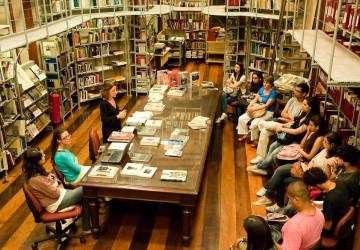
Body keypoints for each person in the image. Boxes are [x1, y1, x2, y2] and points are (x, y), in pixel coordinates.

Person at [253, 115, 327, 207]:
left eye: (311, 125)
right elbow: (301, 145)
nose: (309, 127)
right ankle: (273, 200)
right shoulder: (311, 133)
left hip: (305, 166)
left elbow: (309, 156)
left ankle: (268, 194)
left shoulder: (319, 139)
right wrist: (307, 133)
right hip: (301, 161)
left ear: (317, 127)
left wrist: (300, 151)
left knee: (280, 172)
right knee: (280, 174)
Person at [23, 147, 91, 233]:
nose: (44, 155)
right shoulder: (35, 180)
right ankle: (87, 226)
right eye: (42, 155)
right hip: (56, 202)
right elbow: (55, 193)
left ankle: (86, 224)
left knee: (85, 195)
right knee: (87, 189)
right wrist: (54, 183)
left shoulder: (37, 172)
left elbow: (55, 181)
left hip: (59, 195)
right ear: (37, 161)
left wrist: (53, 183)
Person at [247, 97, 320, 176]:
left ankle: (260, 166)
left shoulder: (311, 119)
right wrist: (285, 126)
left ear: (310, 107)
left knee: (275, 151)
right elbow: (294, 123)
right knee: (272, 145)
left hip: (296, 140)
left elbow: (297, 132)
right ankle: (263, 166)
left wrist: (283, 128)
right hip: (290, 136)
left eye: (305, 104)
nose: (302, 105)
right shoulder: (304, 113)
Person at [250, 83, 309, 164]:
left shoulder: (305, 105)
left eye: (297, 91)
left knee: (264, 127)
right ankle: (260, 157)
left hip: (289, 127)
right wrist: (290, 118)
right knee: (264, 131)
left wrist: (288, 119)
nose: (294, 92)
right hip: (283, 122)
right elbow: (283, 113)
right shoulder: (292, 100)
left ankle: (261, 123)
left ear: (304, 94)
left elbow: (295, 122)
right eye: (295, 89)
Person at [275, 181, 324, 250]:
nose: (290, 202)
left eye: (289, 198)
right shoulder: (319, 213)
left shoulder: (293, 227)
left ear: (296, 199)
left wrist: (271, 242)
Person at [303, 167, 351, 237]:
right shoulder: (340, 183)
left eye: (312, 186)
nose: (312, 188)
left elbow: (327, 227)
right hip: (338, 213)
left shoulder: (329, 199)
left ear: (317, 185)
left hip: (331, 230)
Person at [237, 75, 277, 146]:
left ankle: (255, 140)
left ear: (271, 84)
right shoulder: (261, 89)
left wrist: (253, 109)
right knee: (241, 118)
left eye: (267, 83)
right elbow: (255, 99)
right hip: (258, 109)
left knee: (254, 124)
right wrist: (249, 106)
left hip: (267, 112)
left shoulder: (273, 93)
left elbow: (266, 105)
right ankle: (246, 135)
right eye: (264, 82)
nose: (264, 84)